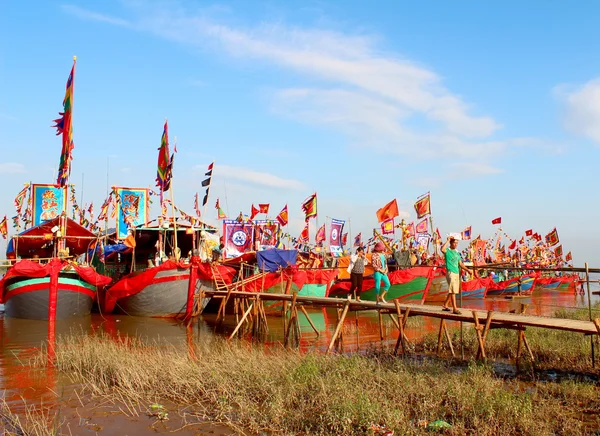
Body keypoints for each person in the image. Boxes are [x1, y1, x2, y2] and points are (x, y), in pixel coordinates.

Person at [441, 236, 470, 314]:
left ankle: (445, 304)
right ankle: (454, 308)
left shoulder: (457, 253)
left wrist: (468, 270)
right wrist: (447, 240)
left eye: (457, 243)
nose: (456, 244)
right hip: (451, 272)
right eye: (454, 242)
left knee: (453, 290)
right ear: (451, 243)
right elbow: (442, 249)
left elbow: (460, 263)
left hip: (456, 273)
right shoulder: (447, 251)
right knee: (453, 291)